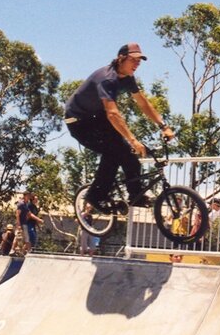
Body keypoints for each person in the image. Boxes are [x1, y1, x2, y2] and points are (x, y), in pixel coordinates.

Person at [64, 42, 174, 219]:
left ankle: (136, 196)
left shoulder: (128, 78)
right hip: (79, 122)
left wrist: (164, 126)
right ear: (121, 58)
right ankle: (95, 196)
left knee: (127, 153)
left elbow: (142, 102)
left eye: (140, 61)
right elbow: (113, 114)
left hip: (96, 118)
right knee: (114, 151)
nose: (137, 64)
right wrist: (133, 139)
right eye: (134, 60)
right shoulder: (107, 78)